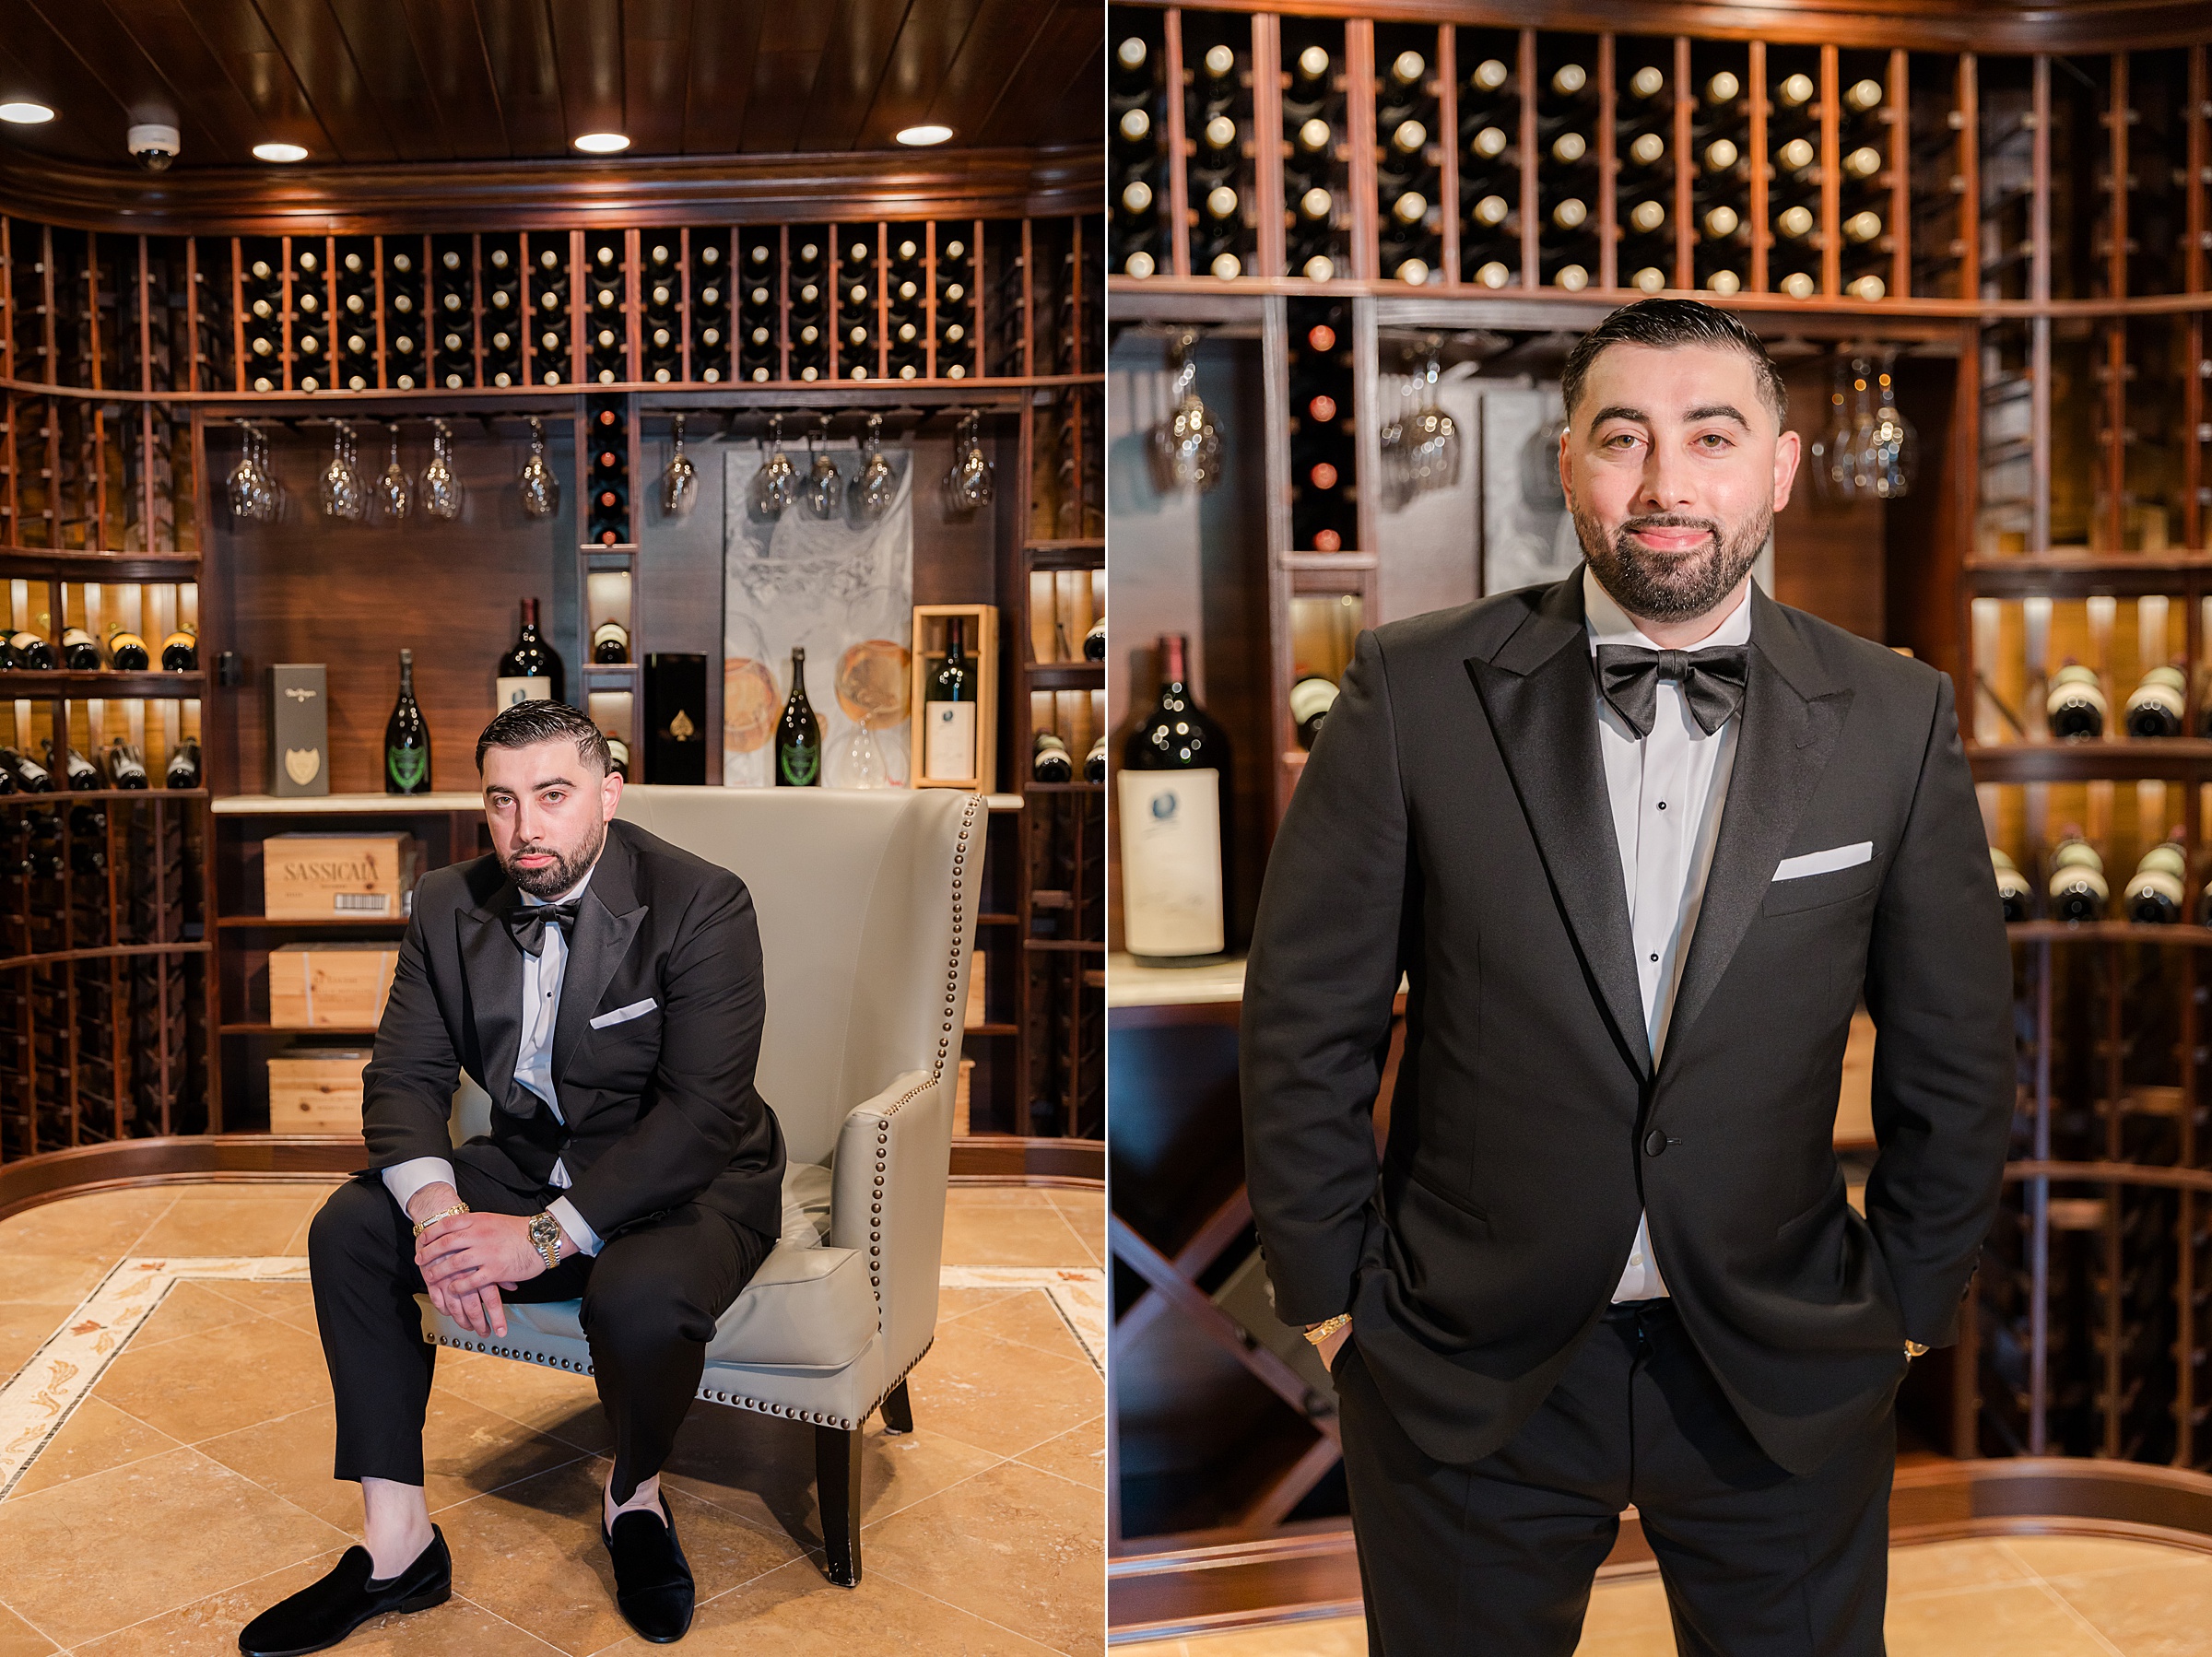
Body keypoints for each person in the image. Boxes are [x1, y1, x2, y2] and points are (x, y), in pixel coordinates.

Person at [1241, 297, 2012, 1655]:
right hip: (1465, 1357)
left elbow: (1955, 1044)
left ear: (1777, 468)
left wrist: (1905, 1305)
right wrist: (1327, 1298)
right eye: (1624, 438)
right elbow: (1308, 1022)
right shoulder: (1412, 692)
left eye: (1711, 436)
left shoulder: (1899, 717)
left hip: (1783, 1358)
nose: (1666, 484)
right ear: (1567, 466)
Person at [241, 699, 783, 1655]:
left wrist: (537, 1238)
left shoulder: (702, 901)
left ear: (607, 795)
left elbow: (699, 1118)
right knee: (350, 1228)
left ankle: (635, 1501)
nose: (525, 828)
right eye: (502, 800)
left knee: (640, 1299)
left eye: (553, 794)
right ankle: (399, 1546)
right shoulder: (449, 903)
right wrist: (440, 1216)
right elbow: (403, 1078)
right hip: (531, 1159)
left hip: (689, 1180)